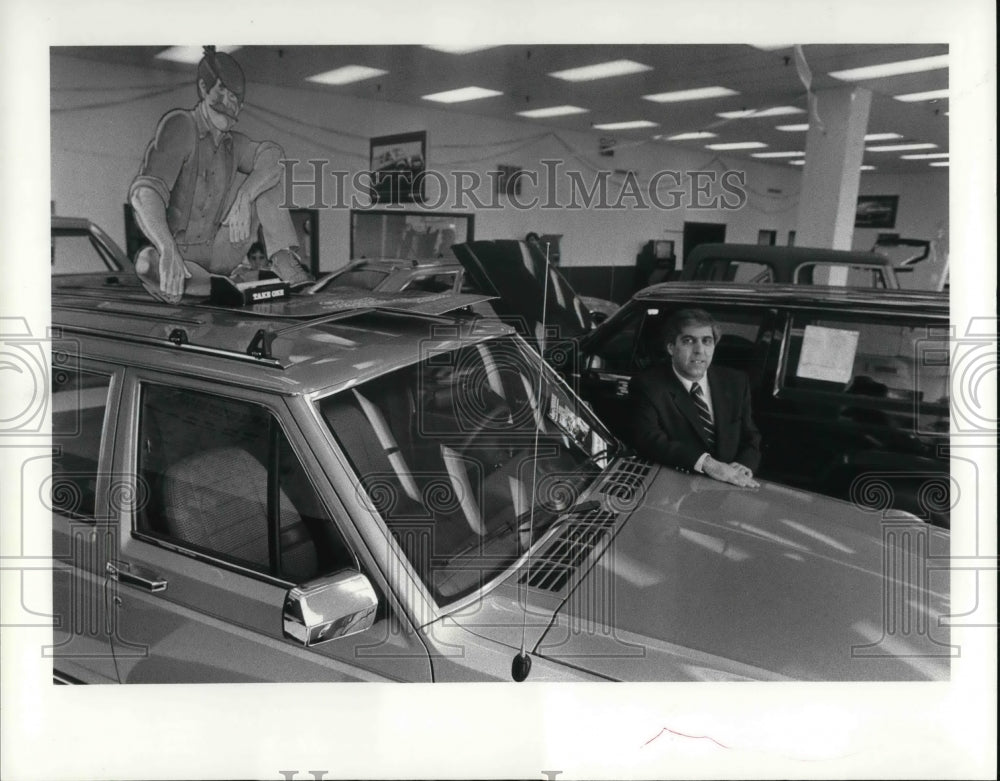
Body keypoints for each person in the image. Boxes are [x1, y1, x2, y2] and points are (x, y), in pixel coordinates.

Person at [129, 46, 312, 302]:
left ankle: (283, 263)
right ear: (204, 88)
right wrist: (166, 246)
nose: (229, 103)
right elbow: (144, 192)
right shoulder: (181, 125)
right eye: (222, 92)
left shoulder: (233, 144)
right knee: (146, 262)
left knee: (268, 177)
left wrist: (246, 195)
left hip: (218, 252)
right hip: (180, 255)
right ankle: (219, 285)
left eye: (236, 98)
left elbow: (274, 157)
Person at [629, 308, 761, 488]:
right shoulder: (649, 386)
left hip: (731, 485)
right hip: (677, 487)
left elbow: (751, 435)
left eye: (707, 341)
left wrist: (745, 464)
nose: (699, 350)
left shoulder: (736, 382)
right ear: (671, 348)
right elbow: (649, 439)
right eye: (689, 341)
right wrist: (708, 464)